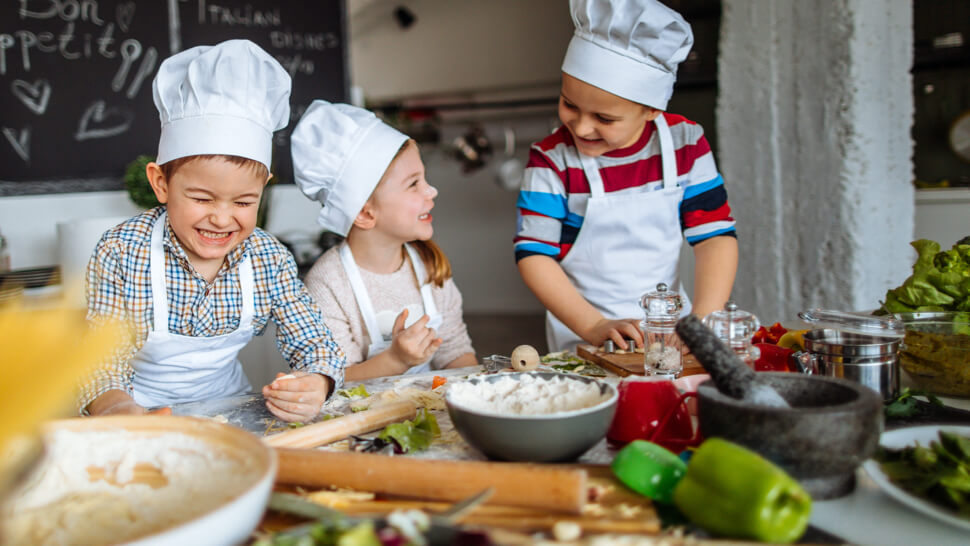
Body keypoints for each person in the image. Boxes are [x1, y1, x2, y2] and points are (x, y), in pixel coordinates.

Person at [79, 40, 345, 423]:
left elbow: (313, 339)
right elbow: (99, 360)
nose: (222, 219)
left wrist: (317, 380)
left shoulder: (268, 257)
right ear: (161, 183)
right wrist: (118, 410)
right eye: (203, 199)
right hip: (135, 415)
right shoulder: (122, 251)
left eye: (242, 203)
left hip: (231, 413)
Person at [515, 0, 739, 354]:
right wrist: (593, 326)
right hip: (584, 337)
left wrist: (703, 319)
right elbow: (534, 254)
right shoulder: (552, 160)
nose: (582, 126)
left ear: (650, 109)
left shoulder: (686, 143)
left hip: (671, 334)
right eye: (569, 104)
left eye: (604, 118)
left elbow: (715, 236)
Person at [292, 101, 476, 381]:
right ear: (365, 213)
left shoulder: (430, 264)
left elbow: (454, 350)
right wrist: (395, 359)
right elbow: (335, 378)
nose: (432, 191)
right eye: (414, 184)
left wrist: (478, 388)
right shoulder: (328, 284)